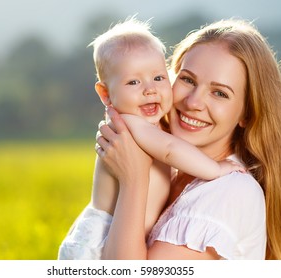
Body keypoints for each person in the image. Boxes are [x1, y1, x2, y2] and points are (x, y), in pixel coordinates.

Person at [96, 19, 281, 259]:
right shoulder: (176, 173)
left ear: (247, 114)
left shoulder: (230, 190)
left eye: (220, 93)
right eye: (187, 79)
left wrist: (133, 181)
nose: (193, 103)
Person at [58, 17, 244, 260]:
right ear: (106, 93)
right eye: (133, 82)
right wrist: (216, 169)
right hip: (100, 243)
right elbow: (169, 150)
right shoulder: (130, 125)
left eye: (158, 78)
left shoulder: (148, 125)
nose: (150, 90)